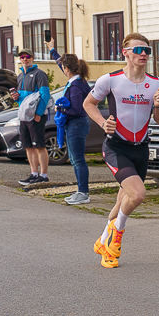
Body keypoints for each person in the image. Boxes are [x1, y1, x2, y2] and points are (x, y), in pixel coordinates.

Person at [84, 33, 159, 268]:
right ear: (125, 53)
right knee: (138, 194)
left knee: (123, 200)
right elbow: (88, 103)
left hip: (140, 149)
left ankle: (103, 241)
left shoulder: (156, 83)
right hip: (116, 147)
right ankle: (116, 237)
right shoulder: (110, 80)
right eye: (138, 50)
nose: (143, 54)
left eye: (147, 50)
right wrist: (102, 123)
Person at [50, 44, 92, 205]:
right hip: (76, 124)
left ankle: (83, 193)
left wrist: (59, 108)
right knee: (75, 159)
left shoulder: (75, 86)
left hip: (76, 124)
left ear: (67, 69)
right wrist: (53, 51)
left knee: (78, 160)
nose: (63, 69)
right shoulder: (77, 80)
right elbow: (63, 66)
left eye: (63, 67)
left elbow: (76, 109)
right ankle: (81, 191)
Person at [11, 48, 51, 187]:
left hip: (35, 116)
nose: (25, 59)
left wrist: (38, 113)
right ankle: (34, 173)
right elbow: (23, 97)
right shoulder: (20, 76)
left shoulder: (40, 74)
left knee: (39, 145)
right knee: (28, 146)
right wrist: (16, 97)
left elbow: (45, 95)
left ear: (32, 58)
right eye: (22, 57)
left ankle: (43, 175)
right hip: (24, 115)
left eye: (27, 56)